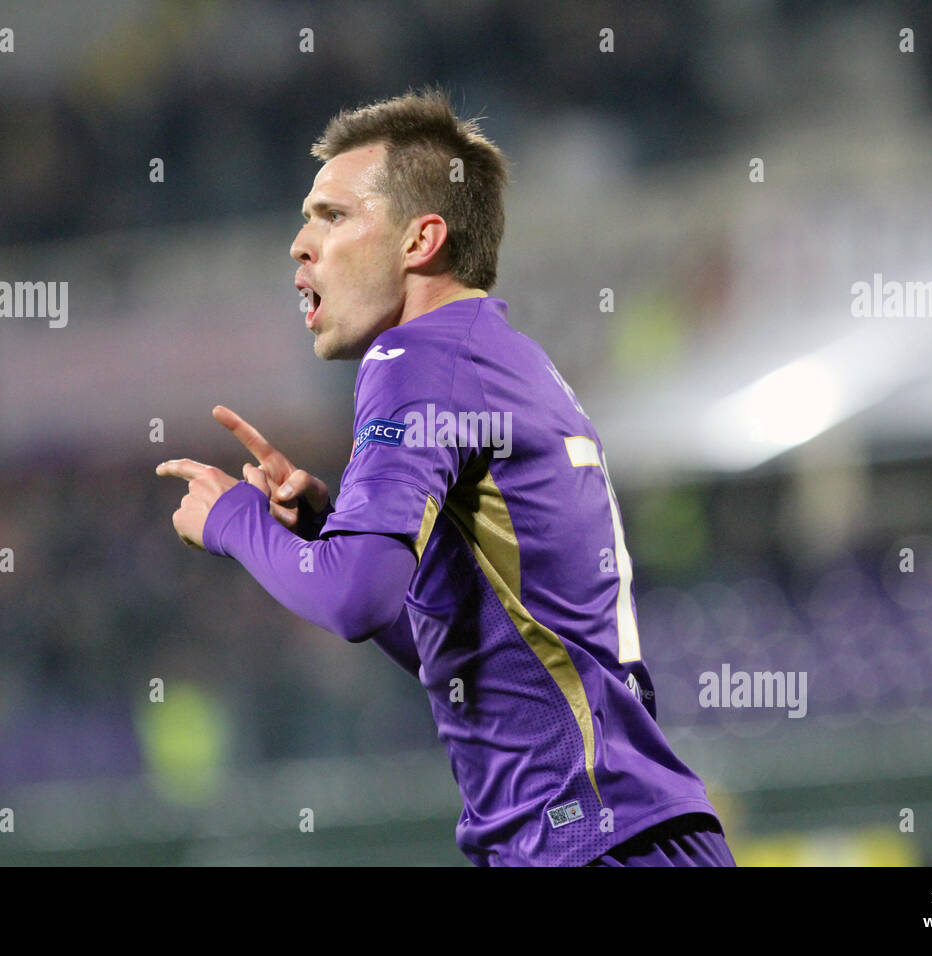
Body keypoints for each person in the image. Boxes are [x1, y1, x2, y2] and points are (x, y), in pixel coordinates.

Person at [156, 87, 733, 867]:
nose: (300, 243)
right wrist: (328, 530)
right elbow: (472, 648)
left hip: (591, 840)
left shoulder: (417, 357)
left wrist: (233, 521)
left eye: (333, 216)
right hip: (610, 832)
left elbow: (354, 599)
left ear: (421, 239)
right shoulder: (503, 359)